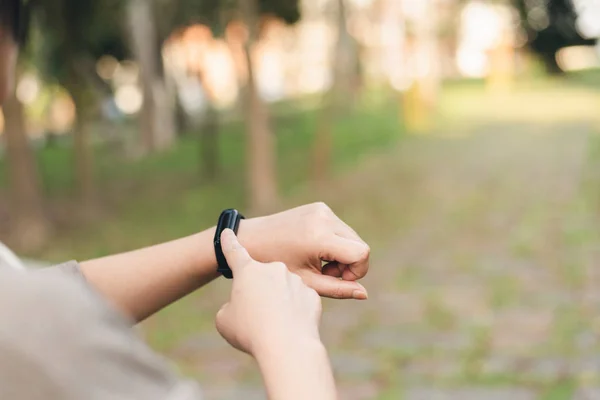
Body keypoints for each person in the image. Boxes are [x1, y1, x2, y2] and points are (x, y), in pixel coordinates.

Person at [0, 1, 371, 399]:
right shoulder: (30, 341)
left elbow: (26, 290)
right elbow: (31, 314)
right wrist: (290, 345)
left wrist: (231, 241)